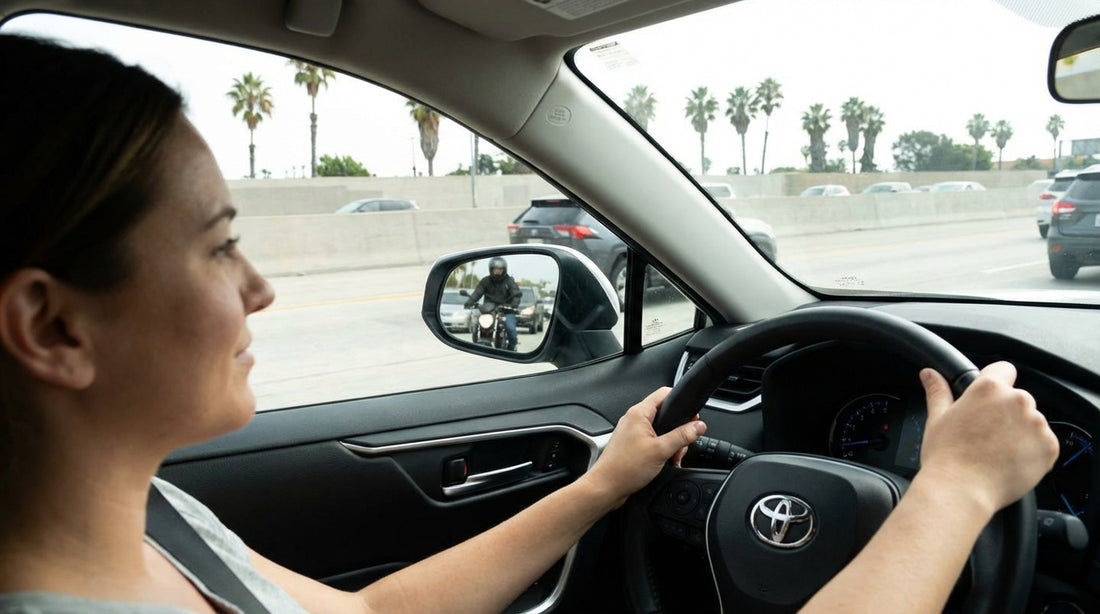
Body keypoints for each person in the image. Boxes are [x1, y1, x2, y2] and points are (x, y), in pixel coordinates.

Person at [0, 33, 1057, 614]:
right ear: (53, 328)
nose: (260, 289)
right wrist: (952, 490)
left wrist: (602, 485)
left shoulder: (154, 519)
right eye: (219, 245)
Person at [462, 257, 521, 350]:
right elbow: (477, 293)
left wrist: (513, 305)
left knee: (510, 328)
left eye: (500, 269)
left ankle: (512, 348)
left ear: (504, 270)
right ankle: (477, 338)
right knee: (477, 321)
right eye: (495, 269)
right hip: (489, 309)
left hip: (506, 310)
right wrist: (469, 302)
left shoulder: (509, 281)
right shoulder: (486, 281)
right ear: (491, 269)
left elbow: (516, 294)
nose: (497, 271)